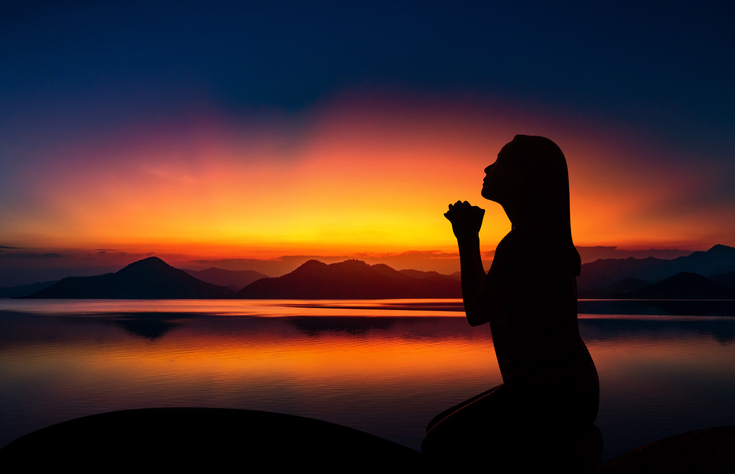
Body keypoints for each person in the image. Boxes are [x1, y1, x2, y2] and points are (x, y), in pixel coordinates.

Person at [422, 135, 600, 468]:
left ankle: (575, 452)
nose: (488, 167)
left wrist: (465, 239)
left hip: (551, 398)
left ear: (521, 176)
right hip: (570, 394)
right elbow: (484, 301)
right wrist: (469, 236)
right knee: (438, 428)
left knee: (438, 445)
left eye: (500, 160)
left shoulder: (524, 242)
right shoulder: (534, 238)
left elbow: (475, 312)